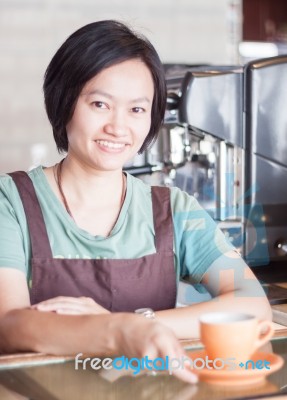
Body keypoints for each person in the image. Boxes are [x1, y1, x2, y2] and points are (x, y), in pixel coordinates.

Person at [0, 20, 271, 382]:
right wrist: (119, 333)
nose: (118, 126)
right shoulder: (11, 202)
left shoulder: (175, 210)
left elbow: (253, 304)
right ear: (64, 101)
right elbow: (10, 324)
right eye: (100, 104)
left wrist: (141, 324)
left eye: (137, 110)